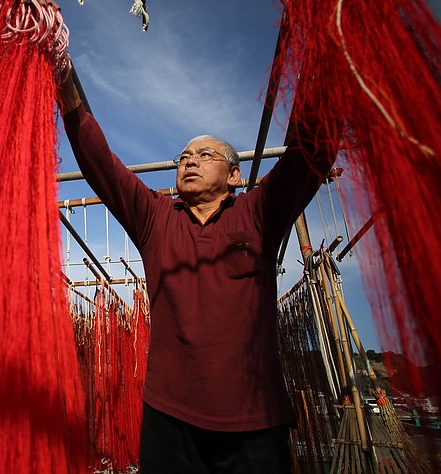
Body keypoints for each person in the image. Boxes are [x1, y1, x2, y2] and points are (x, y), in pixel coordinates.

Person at [58, 74, 335, 473]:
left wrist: (324, 42)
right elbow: (100, 162)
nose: (189, 160)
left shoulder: (258, 214)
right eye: (184, 156)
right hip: (169, 418)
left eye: (205, 155)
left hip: (254, 421)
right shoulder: (155, 218)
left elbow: (308, 154)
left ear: (234, 176)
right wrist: (63, 70)